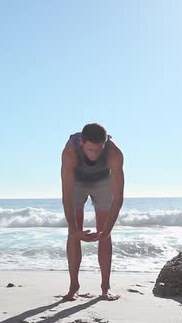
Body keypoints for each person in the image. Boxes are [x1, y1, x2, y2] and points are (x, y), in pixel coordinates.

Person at [60, 123, 124, 301]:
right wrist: (74, 229)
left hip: (102, 181)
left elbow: (118, 198)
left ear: (105, 143)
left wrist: (108, 230)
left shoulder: (114, 154)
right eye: (90, 150)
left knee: (105, 232)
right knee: (74, 233)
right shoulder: (70, 152)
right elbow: (66, 196)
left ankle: (105, 287)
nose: (94, 155)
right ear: (82, 142)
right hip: (76, 181)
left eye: (98, 150)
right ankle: (74, 286)